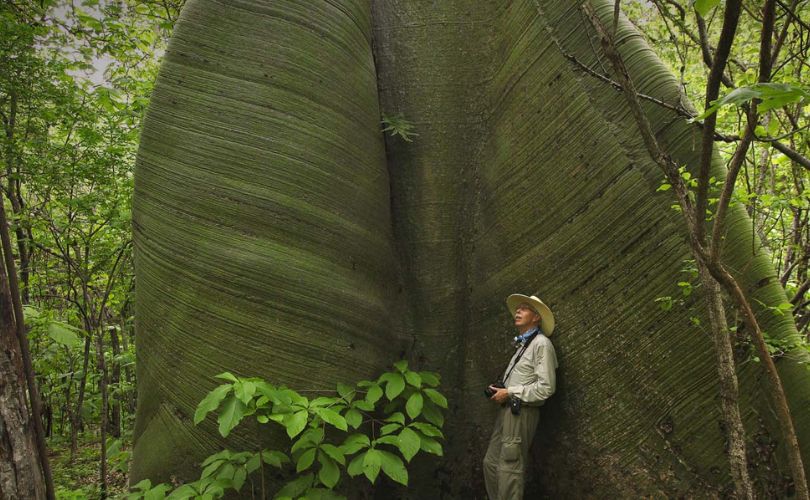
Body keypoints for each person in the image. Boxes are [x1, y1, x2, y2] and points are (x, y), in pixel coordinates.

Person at [483, 293, 558, 500]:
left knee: (509, 467)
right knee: (490, 463)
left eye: (524, 308)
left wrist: (510, 392)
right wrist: (501, 389)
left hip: (521, 412)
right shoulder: (524, 344)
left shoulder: (541, 344)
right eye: (518, 308)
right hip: (507, 410)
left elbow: (546, 388)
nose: (518, 311)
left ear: (536, 317)